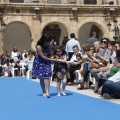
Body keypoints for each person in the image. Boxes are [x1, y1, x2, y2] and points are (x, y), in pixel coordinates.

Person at [32, 33, 65, 98]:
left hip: (47, 61)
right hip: (40, 61)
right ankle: (43, 91)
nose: (50, 42)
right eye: (49, 40)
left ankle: (47, 91)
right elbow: (43, 56)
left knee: (47, 76)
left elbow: (50, 53)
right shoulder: (38, 46)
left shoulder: (48, 45)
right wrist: (52, 59)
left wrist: (52, 56)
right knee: (41, 77)